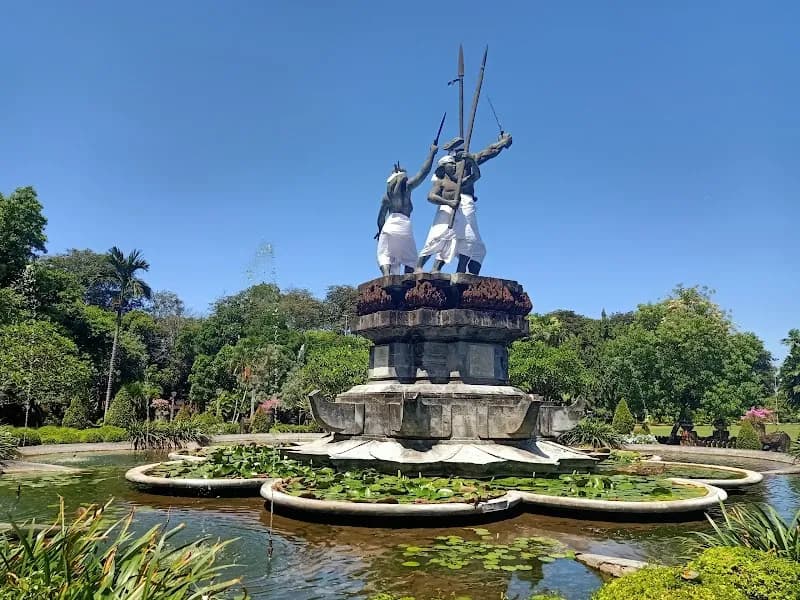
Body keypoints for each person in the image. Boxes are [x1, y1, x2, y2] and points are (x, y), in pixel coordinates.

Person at [416, 133, 512, 274]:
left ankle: (460, 270)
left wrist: (502, 143)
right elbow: (489, 151)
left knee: (468, 239)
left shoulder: (466, 161)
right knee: (445, 235)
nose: (453, 165)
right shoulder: (445, 171)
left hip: (464, 202)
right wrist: (502, 143)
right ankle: (432, 267)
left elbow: (488, 153)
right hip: (455, 203)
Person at [375, 143, 438, 275]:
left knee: (384, 253)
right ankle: (408, 280)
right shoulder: (408, 188)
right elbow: (424, 172)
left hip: (389, 226)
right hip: (405, 227)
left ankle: (387, 275)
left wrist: (380, 230)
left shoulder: (386, 197)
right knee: (410, 259)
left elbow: (381, 218)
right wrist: (432, 153)